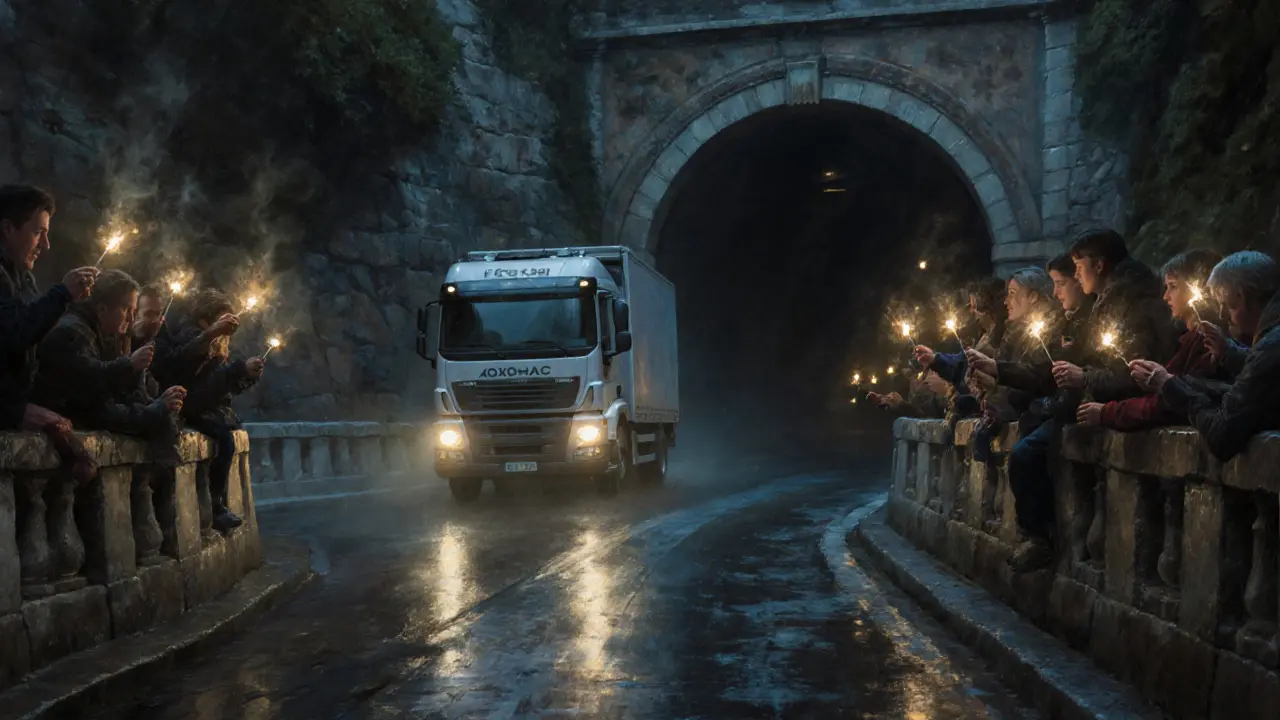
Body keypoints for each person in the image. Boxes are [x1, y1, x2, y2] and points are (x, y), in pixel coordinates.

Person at [1134, 251, 1280, 461]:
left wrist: (1169, 386)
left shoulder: (1270, 346)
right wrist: (1229, 354)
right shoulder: (1270, 341)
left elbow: (1223, 434)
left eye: (1226, 304)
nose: (1221, 315)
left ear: (1242, 296)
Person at [0, 184, 99, 480]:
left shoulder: (21, 277)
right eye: (37, 232)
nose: (46, 244)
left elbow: (35, 336)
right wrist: (61, 294)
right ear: (7, 229)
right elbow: (14, 334)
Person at [33, 270, 186, 462]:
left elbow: (126, 394)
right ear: (102, 309)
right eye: (126, 310)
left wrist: (158, 401)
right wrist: (131, 369)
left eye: (133, 311)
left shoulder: (107, 336)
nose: (131, 319)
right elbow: (93, 397)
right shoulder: (73, 333)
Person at [1077, 249, 1223, 430]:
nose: (1165, 296)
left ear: (1197, 289)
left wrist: (1108, 412)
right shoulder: (1187, 339)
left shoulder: (1206, 341)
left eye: (1173, 287)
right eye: (1166, 287)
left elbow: (1168, 403)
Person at [157, 289, 263, 532]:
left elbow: (222, 388)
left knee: (227, 438)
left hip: (207, 406)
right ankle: (216, 506)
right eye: (222, 319)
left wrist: (246, 375)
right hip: (192, 406)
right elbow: (204, 384)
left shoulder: (215, 341)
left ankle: (218, 505)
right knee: (224, 443)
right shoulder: (193, 338)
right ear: (206, 319)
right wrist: (237, 369)